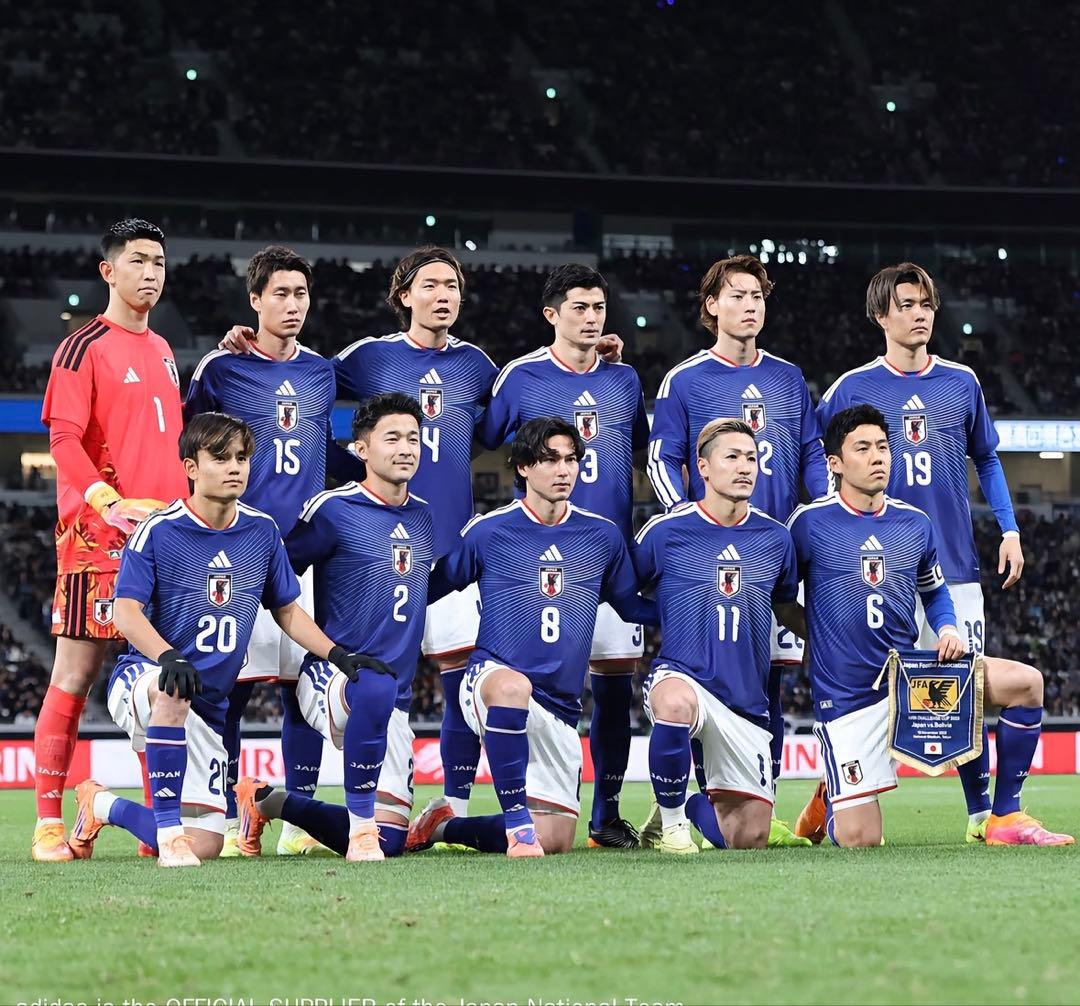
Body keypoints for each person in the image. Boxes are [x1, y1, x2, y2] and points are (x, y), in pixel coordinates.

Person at [65, 413, 375, 866]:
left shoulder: (262, 531)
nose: (235, 467)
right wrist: (167, 657)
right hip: (147, 678)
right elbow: (125, 611)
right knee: (172, 692)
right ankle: (168, 839)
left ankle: (101, 805)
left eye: (242, 458)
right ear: (191, 467)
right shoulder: (159, 529)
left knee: (207, 846)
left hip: (209, 706)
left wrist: (337, 654)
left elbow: (287, 611)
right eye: (221, 458)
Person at [787, 405, 1071, 848]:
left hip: (911, 682)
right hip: (849, 700)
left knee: (1026, 683)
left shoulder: (915, 523)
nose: (877, 457)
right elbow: (780, 597)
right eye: (862, 448)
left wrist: (948, 630)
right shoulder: (807, 524)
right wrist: (818, 638)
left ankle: (1003, 816)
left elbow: (935, 592)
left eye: (883, 447)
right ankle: (832, 797)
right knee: (861, 839)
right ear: (835, 463)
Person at [815, 262, 1025, 842]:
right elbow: (815, 453)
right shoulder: (851, 388)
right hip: (874, 573)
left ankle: (982, 816)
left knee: (963, 689)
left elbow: (987, 459)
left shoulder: (961, 381)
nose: (920, 314)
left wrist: (1009, 529)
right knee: (867, 691)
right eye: (906, 304)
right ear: (880, 315)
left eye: (926, 304)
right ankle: (830, 796)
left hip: (952, 566)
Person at [406, 418, 657, 857]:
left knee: (555, 840)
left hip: (559, 707)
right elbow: (430, 588)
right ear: (523, 467)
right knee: (512, 687)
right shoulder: (490, 531)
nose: (564, 470)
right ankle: (519, 828)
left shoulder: (602, 535)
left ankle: (444, 827)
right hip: (493, 679)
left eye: (571, 459)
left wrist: (690, 610)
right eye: (550, 459)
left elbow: (630, 607)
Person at [185, 245, 363, 856]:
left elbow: (322, 447)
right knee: (226, 690)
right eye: (280, 294)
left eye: (301, 294)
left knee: (299, 689)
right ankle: (223, 812)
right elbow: (187, 445)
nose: (292, 305)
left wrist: (372, 468)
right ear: (255, 300)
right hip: (234, 554)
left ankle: (297, 822)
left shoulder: (321, 372)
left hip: (304, 554)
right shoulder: (222, 368)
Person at [647, 255, 827, 846]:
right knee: (710, 677)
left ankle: (757, 798)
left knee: (769, 680)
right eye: (738, 295)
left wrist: (825, 511)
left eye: (758, 296)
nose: (750, 306)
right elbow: (662, 458)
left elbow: (812, 456)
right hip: (710, 555)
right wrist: (691, 525)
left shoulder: (788, 378)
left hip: (773, 556)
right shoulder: (685, 380)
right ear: (712, 306)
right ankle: (690, 804)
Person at [32, 218, 189, 862]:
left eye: (159, 262)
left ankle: (157, 821)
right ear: (109, 270)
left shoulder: (165, 349)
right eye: (138, 261)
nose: (150, 273)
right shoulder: (81, 347)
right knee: (75, 672)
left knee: (157, 672)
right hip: (97, 536)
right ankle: (47, 822)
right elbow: (63, 439)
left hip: (163, 537)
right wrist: (107, 502)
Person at [477, 263, 649, 849]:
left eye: (598, 307)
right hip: (536, 563)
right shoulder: (521, 376)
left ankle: (607, 814)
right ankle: (484, 803)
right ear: (551, 314)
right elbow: (485, 438)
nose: (591, 317)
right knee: (529, 682)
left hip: (608, 556)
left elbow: (639, 446)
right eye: (579, 307)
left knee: (615, 690)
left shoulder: (624, 378)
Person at [234, 394, 433, 862]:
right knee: (373, 687)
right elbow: (272, 571)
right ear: (361, 449)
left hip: (394, 695)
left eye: (413, 438)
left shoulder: (424, 516)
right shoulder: (333, 509)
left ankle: (265, 801)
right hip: (334, 676)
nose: (406, 448)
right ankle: (360, 830)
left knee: (393, 843)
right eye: (392, 438)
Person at [634, 418, 801, 853]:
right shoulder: (666, 532)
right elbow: (622, 591)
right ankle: (673, 828)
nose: (745, 466)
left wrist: (832, 645)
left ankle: (683, 804)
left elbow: (785, 606)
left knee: (748, 840)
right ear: (703, 468)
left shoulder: (775, 538)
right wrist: (668, 616)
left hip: (744, 699)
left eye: (751, 458)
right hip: (683, 676)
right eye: (732, 457)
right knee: (674, 704)